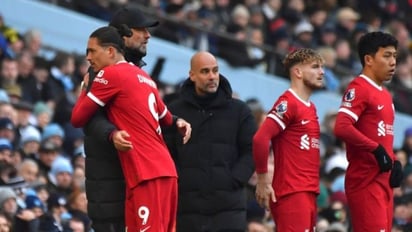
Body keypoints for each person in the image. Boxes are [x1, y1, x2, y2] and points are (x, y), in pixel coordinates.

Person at [71, 26, 191, 232]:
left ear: (110, 51)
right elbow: (166, 117)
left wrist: (84, 88)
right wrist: (180, 121)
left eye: (92, 51)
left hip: (146, 173)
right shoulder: (145, 78)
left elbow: (77, 118)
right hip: (165, 172)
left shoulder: (109, 74)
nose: (88, 58)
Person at [80, 6, 160, 232]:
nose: (148, 35)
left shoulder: (138, 74)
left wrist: (174, 121)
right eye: (141, 30)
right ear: (123, 35)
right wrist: (111, 134)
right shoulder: (100, 73)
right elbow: (87, 118)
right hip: (110, 184)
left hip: (135, 180)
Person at [163, 51, 257, 231]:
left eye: (215, 71)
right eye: (205, 71)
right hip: (187, 207)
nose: (212, 76)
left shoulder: (239, 110)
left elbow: (252, 150)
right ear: (192, 75)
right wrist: (180, 181)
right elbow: (165, 151)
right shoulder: (174, 112)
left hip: (228, 207)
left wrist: (235, 179)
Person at [334, 31, 403, 231]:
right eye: (387, 55)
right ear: (369, 59)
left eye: (395, 57)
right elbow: (341, 126)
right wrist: (376, 149)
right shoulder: (359, 87)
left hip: (384, 181)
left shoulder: (386, 95)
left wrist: (394, 159)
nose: (393, 62)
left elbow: (381, 135)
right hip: (365, 181)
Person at [252, 48, 325, 231]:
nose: (321, 72)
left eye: (321, 67)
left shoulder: (311, 107)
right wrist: (263, 180)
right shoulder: (288, 102)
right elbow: (260, 138)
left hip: (308, 191)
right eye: (315, 67)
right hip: (292, 192)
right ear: (298, 72)